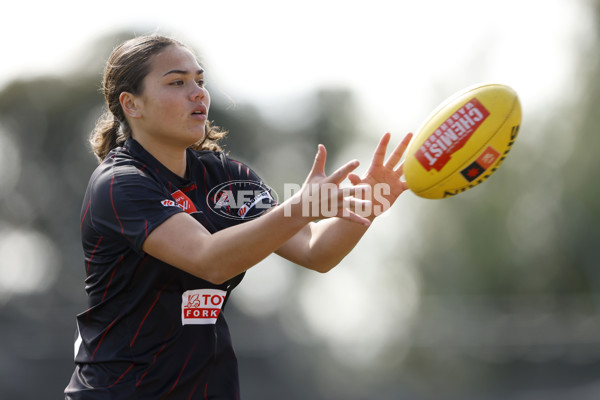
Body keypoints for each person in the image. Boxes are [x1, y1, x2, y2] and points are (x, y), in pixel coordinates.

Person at [65, 34, 413, 399]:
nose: (197, 92)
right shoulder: (120, 184)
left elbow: (315, 251)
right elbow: (210, 260)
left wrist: (370, 201)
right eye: (177, 82)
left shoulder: (226, 176)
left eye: (200, 81)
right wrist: (300, 208)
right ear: (131, 104)